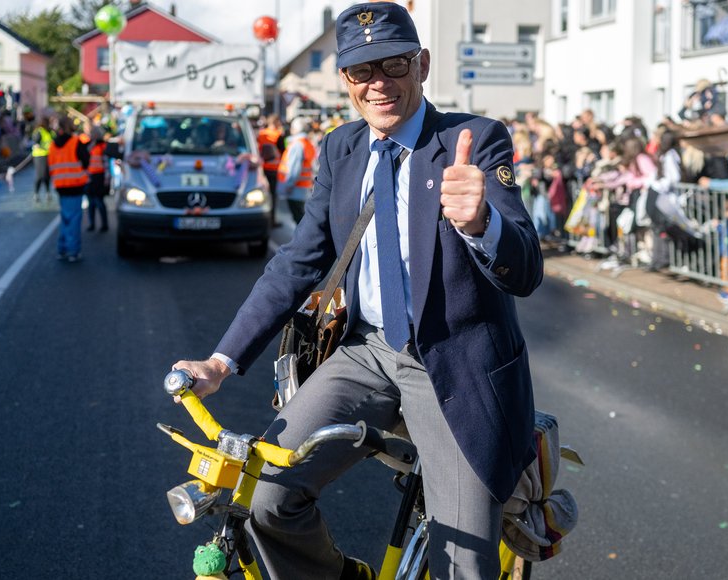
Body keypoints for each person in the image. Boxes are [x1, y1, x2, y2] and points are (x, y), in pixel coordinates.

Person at [172, 3, 543, 579]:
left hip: (453, 361)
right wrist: (222, 361)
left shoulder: (474, 139)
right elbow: (298, 262)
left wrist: (481, 224)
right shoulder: (342, 149)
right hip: (365, 352)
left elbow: (525, 269)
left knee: (463, 561)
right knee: (266, 496)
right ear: (344, 80)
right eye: (359, 71)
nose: (378, 83)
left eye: (393, 64)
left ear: (421, 64)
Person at [48, 116, 89, 262]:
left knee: (65, 218)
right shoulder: (75, 142)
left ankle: (63, 249)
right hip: (75, 185)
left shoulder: (53, 145)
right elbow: (86, 160)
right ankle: (72, 251)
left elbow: (50, 166)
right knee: (74, 220)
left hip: (61, 186)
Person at [276, 116, 316, 224]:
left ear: (295, 129)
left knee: (299, 219)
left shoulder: (297, 144)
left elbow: (294, 168)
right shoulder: (306, 143)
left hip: (295, 189)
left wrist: (288, 185)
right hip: (302, 187)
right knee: (301, 218)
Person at [257, 114, 285, 227]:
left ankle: (260, 219)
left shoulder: (261, 134)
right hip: (273, 170)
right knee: (272, 196)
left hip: (261, 168)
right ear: (276, 122)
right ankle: (271, 221)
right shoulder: (278, 135)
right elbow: (284, 152)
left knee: (260, 195)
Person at [85, 126, 109, 232]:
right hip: (90, 176)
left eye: (94, 133)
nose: (92, 135)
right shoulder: (90, 145)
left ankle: (104, 224)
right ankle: (92, 224)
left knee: (99, 201)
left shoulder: (102, 146)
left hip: (100, 176)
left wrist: (107, 177)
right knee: (91, 202)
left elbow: (106, 163)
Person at [31, 117, 54, 203]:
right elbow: (36, 142)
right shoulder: (39, 131)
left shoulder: (50, 132)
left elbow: (54, 141)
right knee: (40, 175)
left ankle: (48, 192)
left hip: (48, 155)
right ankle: (36, 193)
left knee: (47, 175)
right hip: (39, 156)